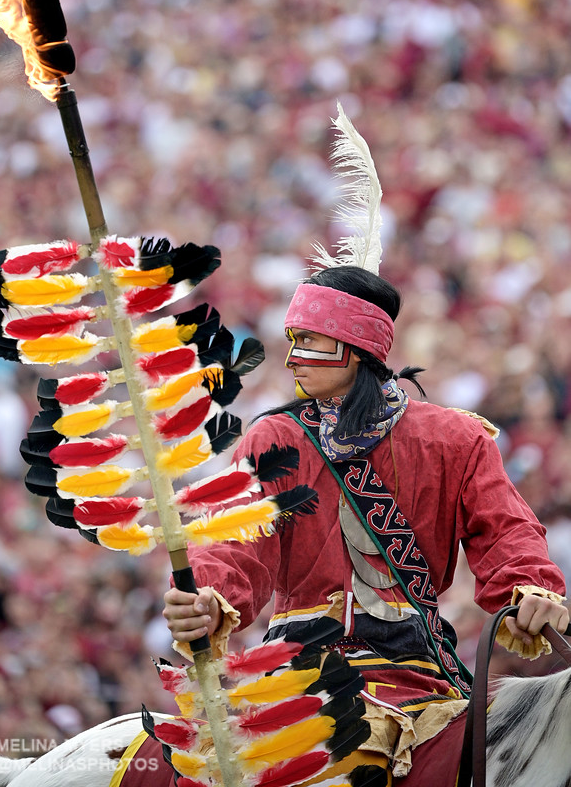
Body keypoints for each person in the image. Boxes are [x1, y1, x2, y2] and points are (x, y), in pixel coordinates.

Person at [163, 265, 568, 786]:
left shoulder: (458, 439)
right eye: (291, 340)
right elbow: (233, 541)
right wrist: (207, 596)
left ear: (351, 348)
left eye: (306, 340)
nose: (290, 359)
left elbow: (508, 531)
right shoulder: (275, 439)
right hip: (298, 676)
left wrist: (529, 591)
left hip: (422, 673)